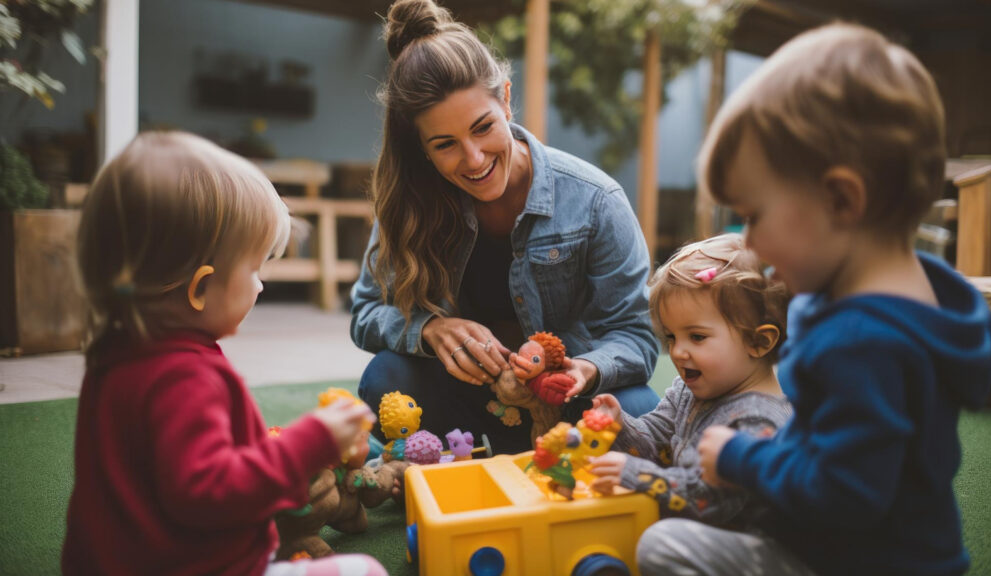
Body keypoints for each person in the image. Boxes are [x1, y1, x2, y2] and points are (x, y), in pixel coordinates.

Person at [687, 24, 991, 576]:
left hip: (857, 561)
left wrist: (740, 458)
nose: (751, 242)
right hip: (920, 555)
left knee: (666, 546)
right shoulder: (923, 296)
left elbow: (845, 493)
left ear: (841, 199)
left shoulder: (862, 341)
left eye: (755, 216)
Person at [63, 132, 387, 576]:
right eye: (254, 269)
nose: (261, 284)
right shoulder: (183, 379)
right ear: (200, 288)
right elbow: (208, 492)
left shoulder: (116, 358)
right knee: (364, 571)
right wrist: (310, 443)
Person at [351, 0, 660, 454]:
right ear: (422, 148)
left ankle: (492, 452)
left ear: (507, 100)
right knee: (385, 378)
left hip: (564, 402)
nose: (473, 159)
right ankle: (489, 449)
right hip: (466, 401)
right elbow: (365, 314)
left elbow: (636, 335)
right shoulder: (408, 203)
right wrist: (429, 330)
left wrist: (585, 370)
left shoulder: (596, 200)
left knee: (637, 409)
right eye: (445, 145)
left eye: (482, 128)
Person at [587, 234, 791, 527]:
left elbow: (708, 501)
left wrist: (637, 475)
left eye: (697, 337)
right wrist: (620, 425)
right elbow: (657, 444)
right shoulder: (688, 389)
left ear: (758, 342)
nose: (678, 352)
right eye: (671, 336)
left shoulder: (760, 422)